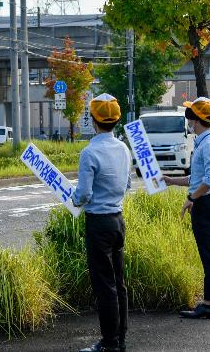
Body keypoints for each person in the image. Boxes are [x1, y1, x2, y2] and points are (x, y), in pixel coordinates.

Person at [72, 94, 132, 352]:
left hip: (98, 223)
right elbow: (128, 184)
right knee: (118, 283)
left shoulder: (90, 152)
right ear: (116, 120)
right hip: (118, 220)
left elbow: (83, 194)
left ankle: (109, 343)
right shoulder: (124, 149)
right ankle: (120, 338)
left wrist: (73, 199)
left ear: (94, 119)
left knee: (104, 285)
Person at [164, 97, 210, 318]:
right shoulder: (205, 141)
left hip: (206, 204)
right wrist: (172, 180)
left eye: (190, 115)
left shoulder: (208, 144)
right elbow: (198, 177)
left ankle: (209, 303)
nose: (188, 119)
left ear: (197, 119)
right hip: (208, 202)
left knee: (209, 255)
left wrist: (192, 196)